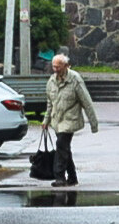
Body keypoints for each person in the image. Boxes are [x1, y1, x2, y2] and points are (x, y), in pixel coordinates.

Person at [41, 54, 98, 187]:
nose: (55, 69)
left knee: (61, 145)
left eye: (58, 67)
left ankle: (59, 177)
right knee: (64, 148)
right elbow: (50, 103)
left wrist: (93, 123)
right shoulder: (51, 81)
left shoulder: (75, 79)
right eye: (54, 66)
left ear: (66, 66)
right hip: (57, 120)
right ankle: (72, 177)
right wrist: (46, 120)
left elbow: (86, 102)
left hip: (70, 119)